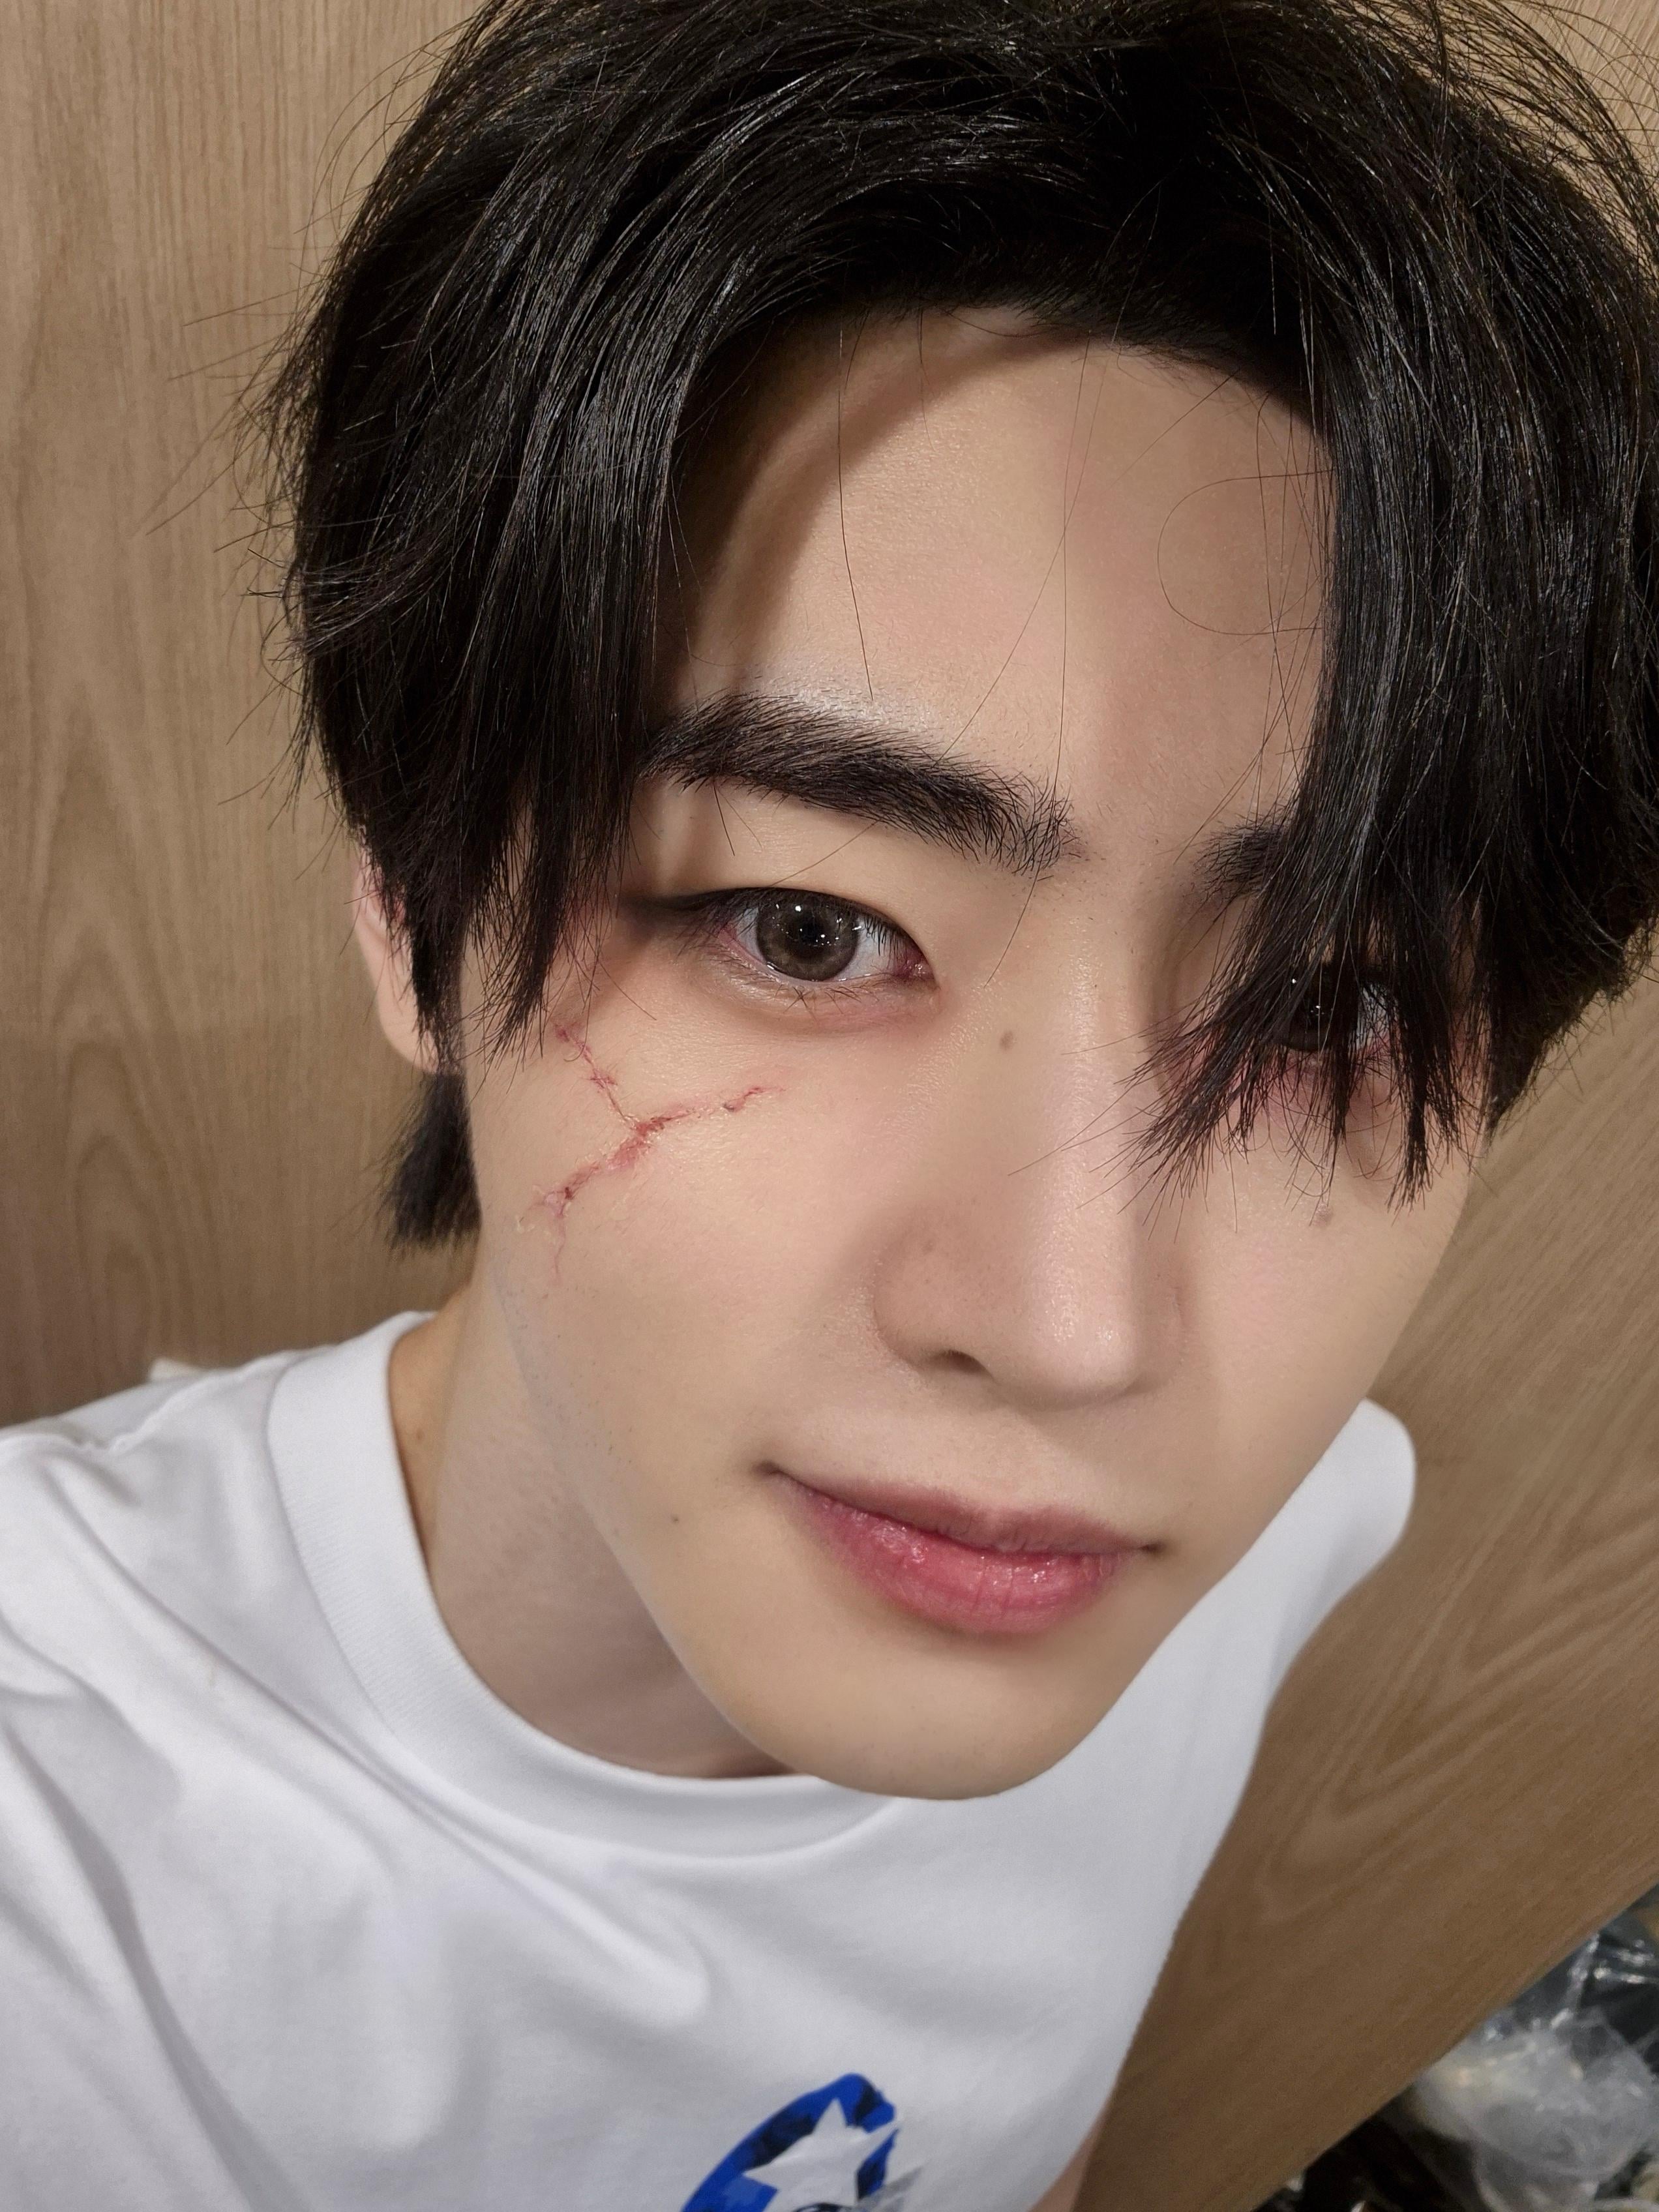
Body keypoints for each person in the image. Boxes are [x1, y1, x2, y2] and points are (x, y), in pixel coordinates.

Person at [3, 0, 1658, 2205]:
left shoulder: (1280, 1524)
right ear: (412, 907)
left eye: (1326, 1010)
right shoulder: (68, 1892)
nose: (1074, 1334)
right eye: (806, 930)